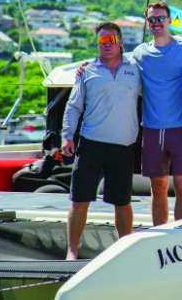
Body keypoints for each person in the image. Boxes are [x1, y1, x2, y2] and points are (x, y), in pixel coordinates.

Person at [61, 23, 141, 259]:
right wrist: (67, 135)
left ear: (121, 42)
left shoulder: (136, 69)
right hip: (91, 144)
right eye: (102, 42)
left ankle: (125, 251)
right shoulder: (86, 70)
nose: (107, 45)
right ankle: (72, 250)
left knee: (123, 202)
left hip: (123, 147)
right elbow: (73, 106)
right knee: (79, 200)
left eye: (111, 41)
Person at [134, 1, 182, 225]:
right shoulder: (139, 54)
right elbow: (117, 68)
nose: (157, 23)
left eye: (161, 18)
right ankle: (159, 233)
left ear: (170, 20)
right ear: (147, 23)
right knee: (158, 187)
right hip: (152, 129)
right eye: (152, 19)